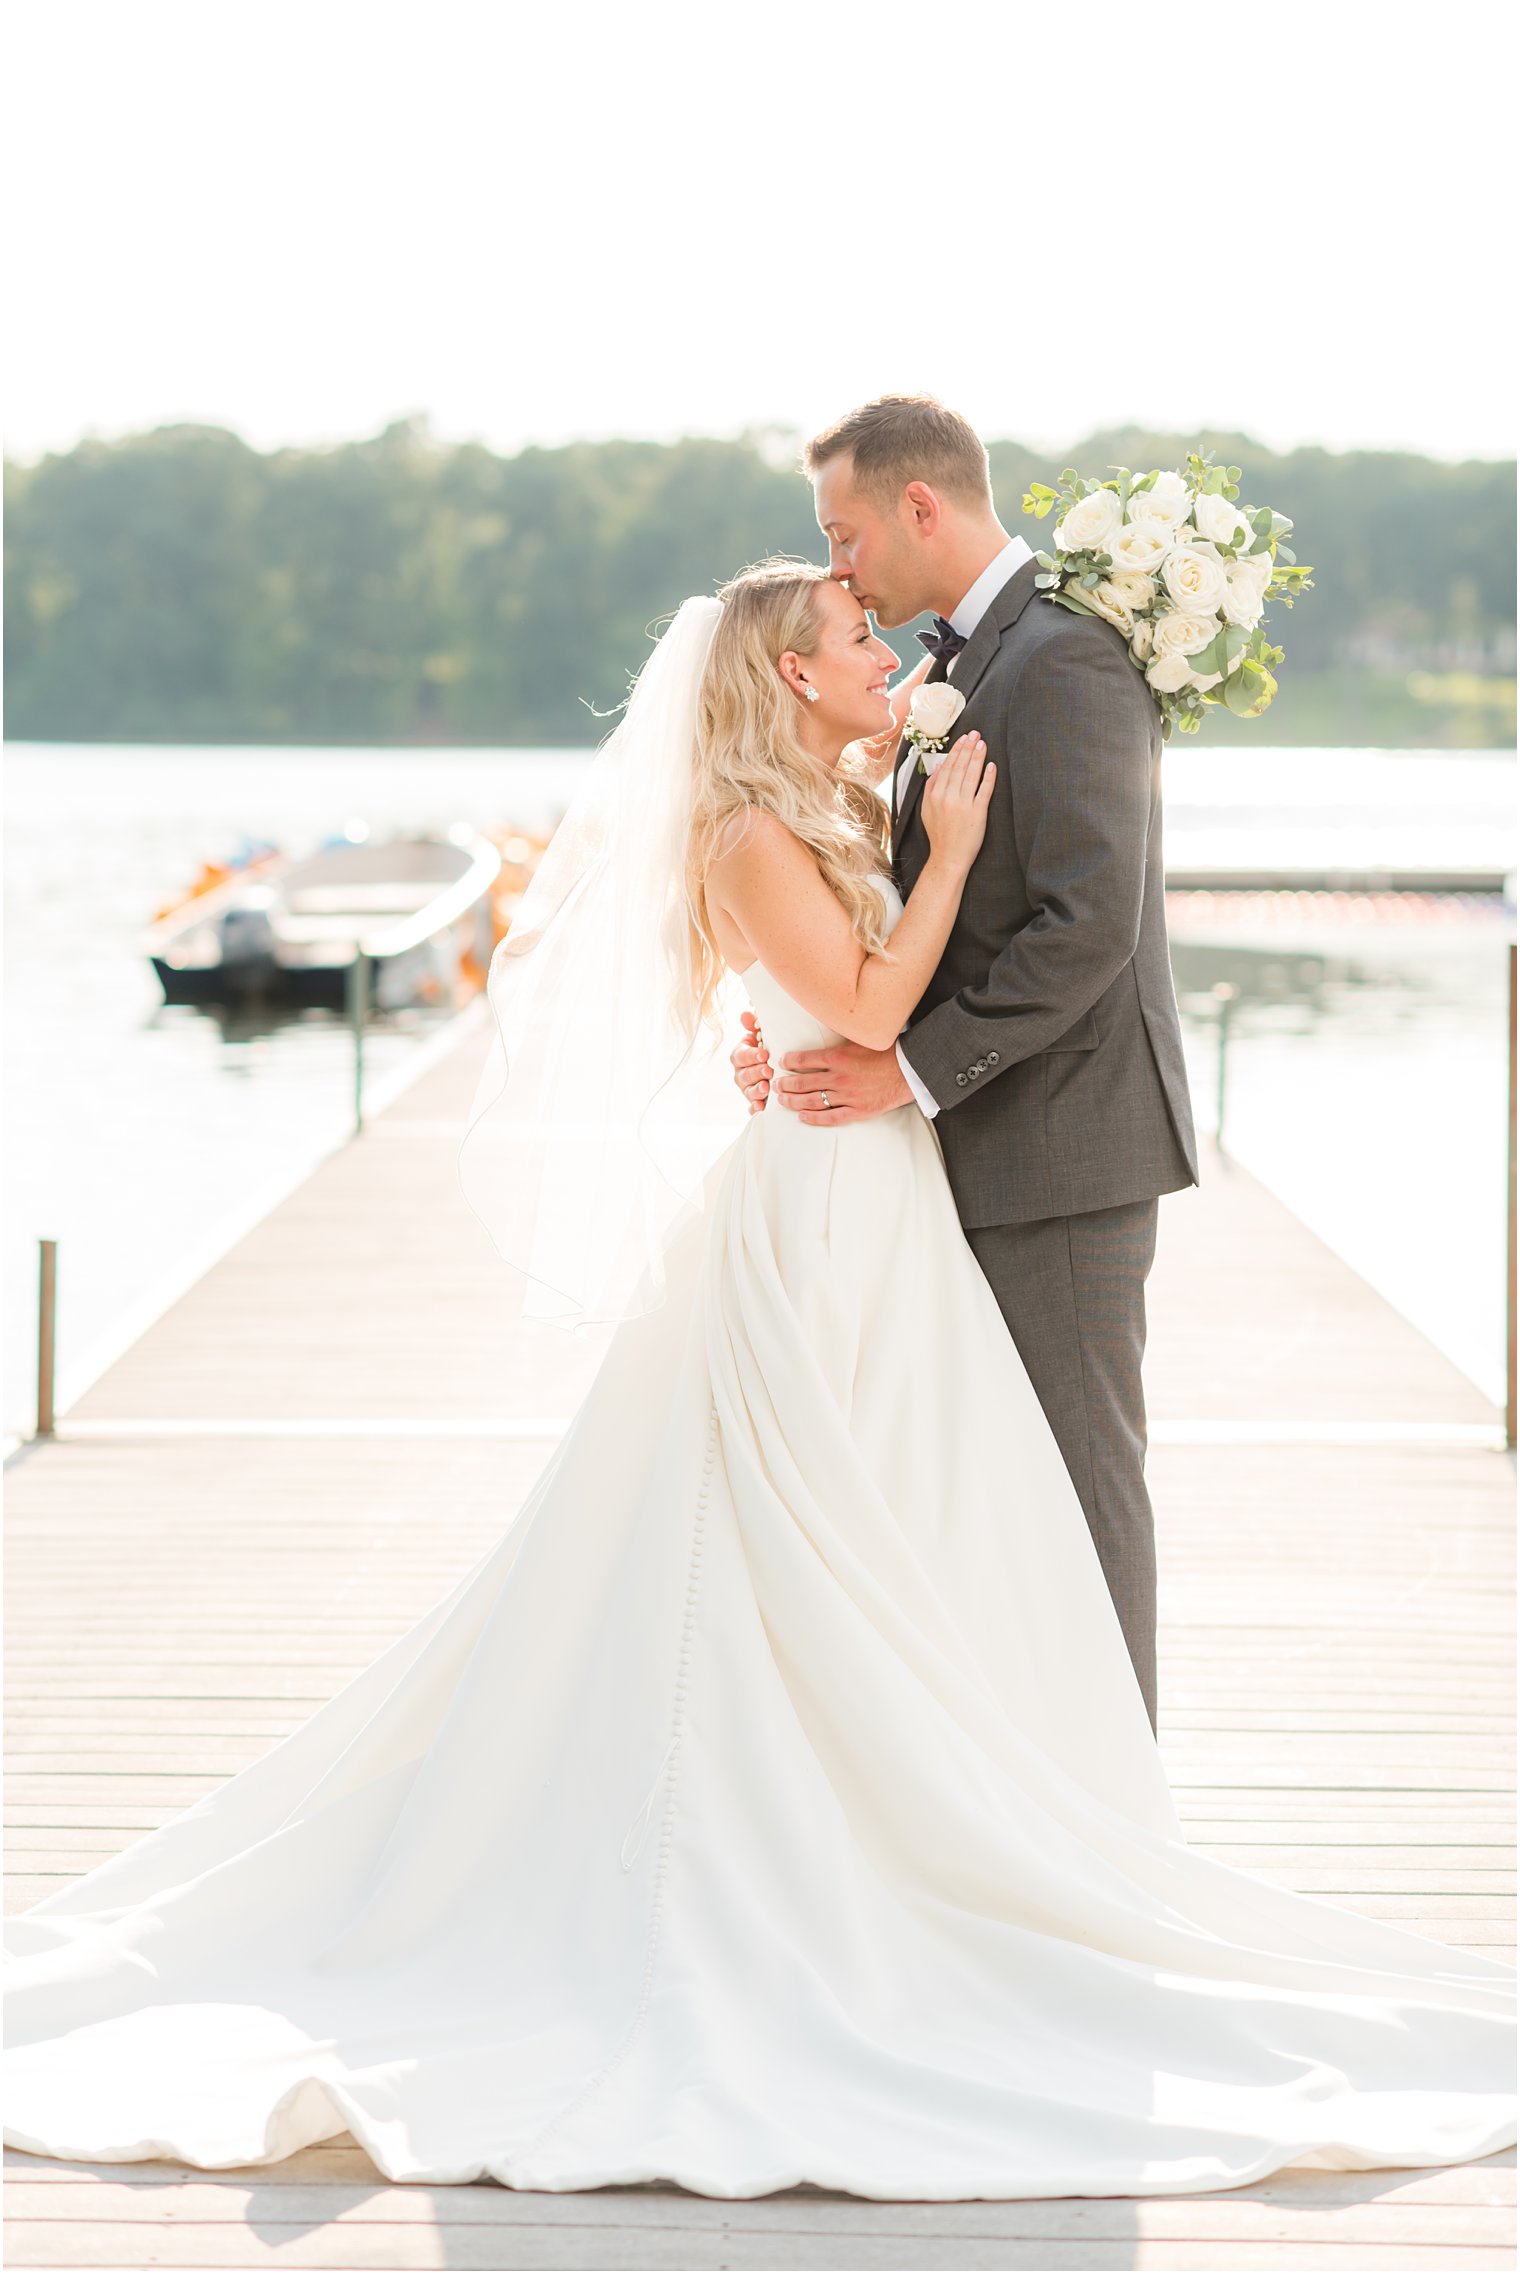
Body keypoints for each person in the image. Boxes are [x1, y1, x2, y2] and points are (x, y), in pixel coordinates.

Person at [3, 562, 1512, 2202]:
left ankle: (938, 1831)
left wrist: (871, 901)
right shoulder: (747, 828)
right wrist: (938, 867)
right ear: (789, 678)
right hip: (816, 1202)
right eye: (856, 638)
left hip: (878, 1196)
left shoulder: (826, 795)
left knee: (892, 1522)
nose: (889, 654)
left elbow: (829, 993)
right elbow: (863, 1003)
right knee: (775, 1544)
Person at [733, 394, 1197, 1735]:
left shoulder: (1061, 660)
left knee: (1078, 1484)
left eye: (846, 532)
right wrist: (804, 1022)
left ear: (919, 508)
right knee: (990, 1490)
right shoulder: (962, 665)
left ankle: (1120, 1809)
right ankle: (1020, 1779)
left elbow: (1087, 925)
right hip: (982, 1143)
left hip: (1061, 1148)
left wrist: (910, 1073)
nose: (839, 570)